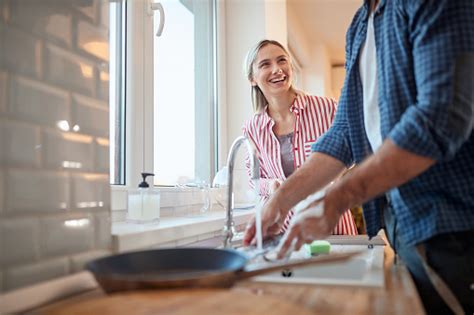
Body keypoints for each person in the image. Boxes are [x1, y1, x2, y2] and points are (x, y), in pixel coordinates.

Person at [243, 1, 474, 314]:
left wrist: (337, 199)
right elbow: (345, 136)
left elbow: (441, 117)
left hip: (454, 221)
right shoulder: (359, 25)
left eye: (281, 60)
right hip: (403, 221)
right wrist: (279, 201)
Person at [242, 39, 357, 236]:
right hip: (283, 229)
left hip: (330, 222)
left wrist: (325, 177)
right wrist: (271, 186)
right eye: (265, 64)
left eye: (282, 61)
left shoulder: (327, 108)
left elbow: (352, 151)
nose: (277, 69)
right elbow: (252, 179)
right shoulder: (252, 128)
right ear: (252, 78)